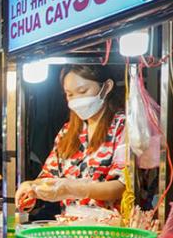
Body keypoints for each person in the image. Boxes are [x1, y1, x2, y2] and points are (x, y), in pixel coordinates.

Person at [15, 65, 126, 210]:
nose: (76, 100)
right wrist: (31, 188)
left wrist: (73, 189)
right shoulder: (68, 131)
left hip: (111, 228)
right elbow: (49, 176)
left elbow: (122, 186)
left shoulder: (123, 126)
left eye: (82, 91)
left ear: (107, 87)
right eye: (70, 94)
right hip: (70, 226)